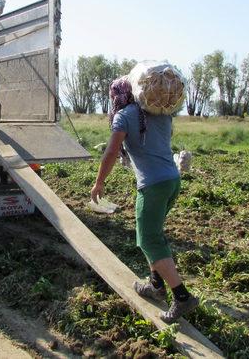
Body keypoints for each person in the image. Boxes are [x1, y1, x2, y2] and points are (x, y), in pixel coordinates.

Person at [90, 77, 198, 324]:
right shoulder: (159, 113)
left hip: (153, 186)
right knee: (151, 235)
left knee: (149, 239)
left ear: (117, 96)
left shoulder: (123, 116)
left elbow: (111, 152)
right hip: (172, 181)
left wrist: (99, 182)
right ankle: (155, 285)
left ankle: (182, 297)